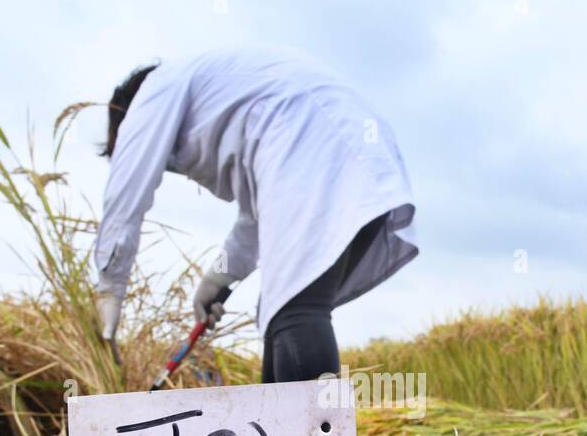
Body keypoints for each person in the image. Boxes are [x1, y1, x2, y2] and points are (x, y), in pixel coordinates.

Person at [94, 47, 419, 384]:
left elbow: (126, 191)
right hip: (354, 150)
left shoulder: (153, 93)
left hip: (318, 145)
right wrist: (219, 277)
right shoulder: (231, 99)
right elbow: (256, 216)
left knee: (296, 310)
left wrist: (109, 287)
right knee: (284, 315)